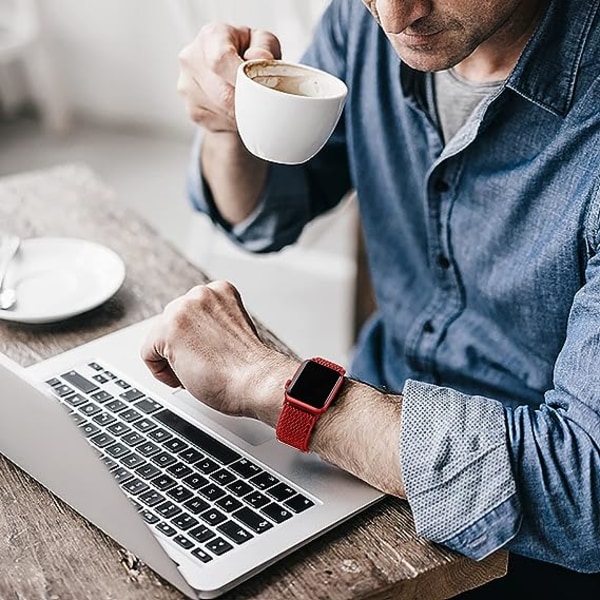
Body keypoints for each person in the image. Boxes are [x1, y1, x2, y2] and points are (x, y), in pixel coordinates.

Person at [141, 0, 600, 595]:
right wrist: (229, 124)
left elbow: (582, 492)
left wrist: (272, 383)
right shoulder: (366, 26)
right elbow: (270, 209)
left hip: (528, 544)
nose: (392, 15)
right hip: (363, 428)